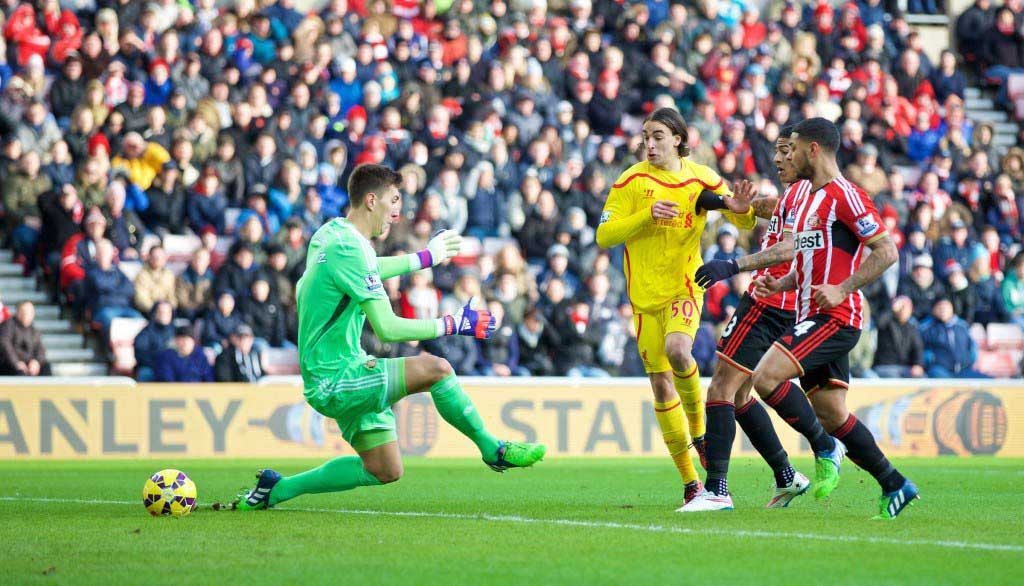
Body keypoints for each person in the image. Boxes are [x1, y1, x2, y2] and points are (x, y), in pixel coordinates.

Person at [230, 164, 545, 511]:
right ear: (370, 200)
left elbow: (369, 266)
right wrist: (452, 324)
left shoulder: (331, 234)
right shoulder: (350, 249)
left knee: (385, 469)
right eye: (394, 200)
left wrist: (426, 258)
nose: (398, 212)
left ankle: (274, 490)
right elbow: (388, 328)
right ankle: (492, 448)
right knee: (436, 368)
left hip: (339, 369)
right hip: (337, 377)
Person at [747, 118, 918, 519]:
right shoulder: (809, 200)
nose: (786, 156)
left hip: (836, 316)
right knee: (833, 413)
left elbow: (886, 251)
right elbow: (812, 259)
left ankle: (823, 447)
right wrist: (784, 283)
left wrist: (843, 288)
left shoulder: (847, 195)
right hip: (813, 311)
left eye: (793, 148)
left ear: (813, 150)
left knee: (765, 377)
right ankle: (895, 483)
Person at [595, 108, 755, 507]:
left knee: (679, 351)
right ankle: (690, 482)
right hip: (643, 299)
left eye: (658, 136)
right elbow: (604, 235)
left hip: (685, 287)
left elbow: (744, 217)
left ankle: (700, 433)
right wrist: (645, 215)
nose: (650, 144)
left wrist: (743, 209)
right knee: (660, 383)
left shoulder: (700, 177)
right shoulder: (630, 181)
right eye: (646, 136)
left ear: (679, 139)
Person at [681, 126, 811, 511]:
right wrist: (727, 204)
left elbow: (789, 247)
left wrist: (733, 265)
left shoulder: (807, 194)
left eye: (787, 151)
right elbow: (770, 208)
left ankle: (717, 490)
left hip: (769, 299)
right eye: (777, 150)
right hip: (779, 298)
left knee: (720, 388)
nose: (778, 158)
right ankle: (787, 474)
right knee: (739, 393)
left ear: (810, 152)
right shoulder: (802, 194)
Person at [919, 299, 988, 378]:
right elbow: (920, 350)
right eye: (940, 308)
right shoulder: (926, 329)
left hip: (964, 369)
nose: (943, 310)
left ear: (952, 309)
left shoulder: (962, 326)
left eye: (946, 308)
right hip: (940, 370)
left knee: (987, 381)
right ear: (934, 309)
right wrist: (930, 360)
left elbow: (972, 347)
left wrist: (970, 361)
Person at [0, 302, 51, 376]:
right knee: (19, 372)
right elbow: (5, 345)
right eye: (23, 312)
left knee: (46, 367)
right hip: (10, 364)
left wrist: (36, 362)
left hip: (29, 364)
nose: (26, 315)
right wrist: (16, 363)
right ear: (17, 312)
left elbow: (40, 349)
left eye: (29, 312)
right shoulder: (8, 325)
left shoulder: (34, 330)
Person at [133, 301, 175, 381]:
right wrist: (159, 364)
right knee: (145, 373)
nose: (164, 315)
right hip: (151, 367)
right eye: (161, 312)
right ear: (155, 313)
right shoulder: (146, 333)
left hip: (173, 368)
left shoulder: (177, 331)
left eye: (167, 312)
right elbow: (141, 354)